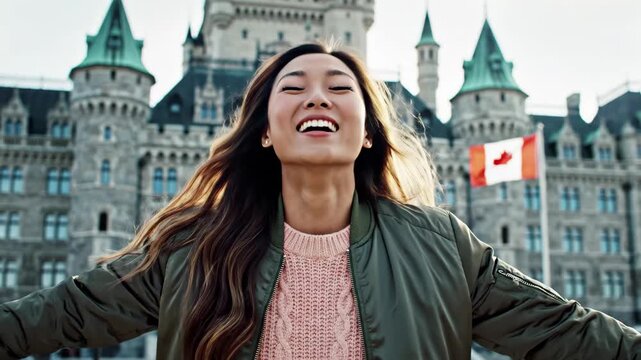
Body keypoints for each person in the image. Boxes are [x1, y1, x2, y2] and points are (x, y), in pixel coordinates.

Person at [1, 42, 640, 360]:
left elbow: (564, 330)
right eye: (293, 86)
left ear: (368, 132)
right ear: (262, 131)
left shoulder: (441, 248)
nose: (317, 97)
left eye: (340, 86)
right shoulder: (192, 250)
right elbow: (66, 312)